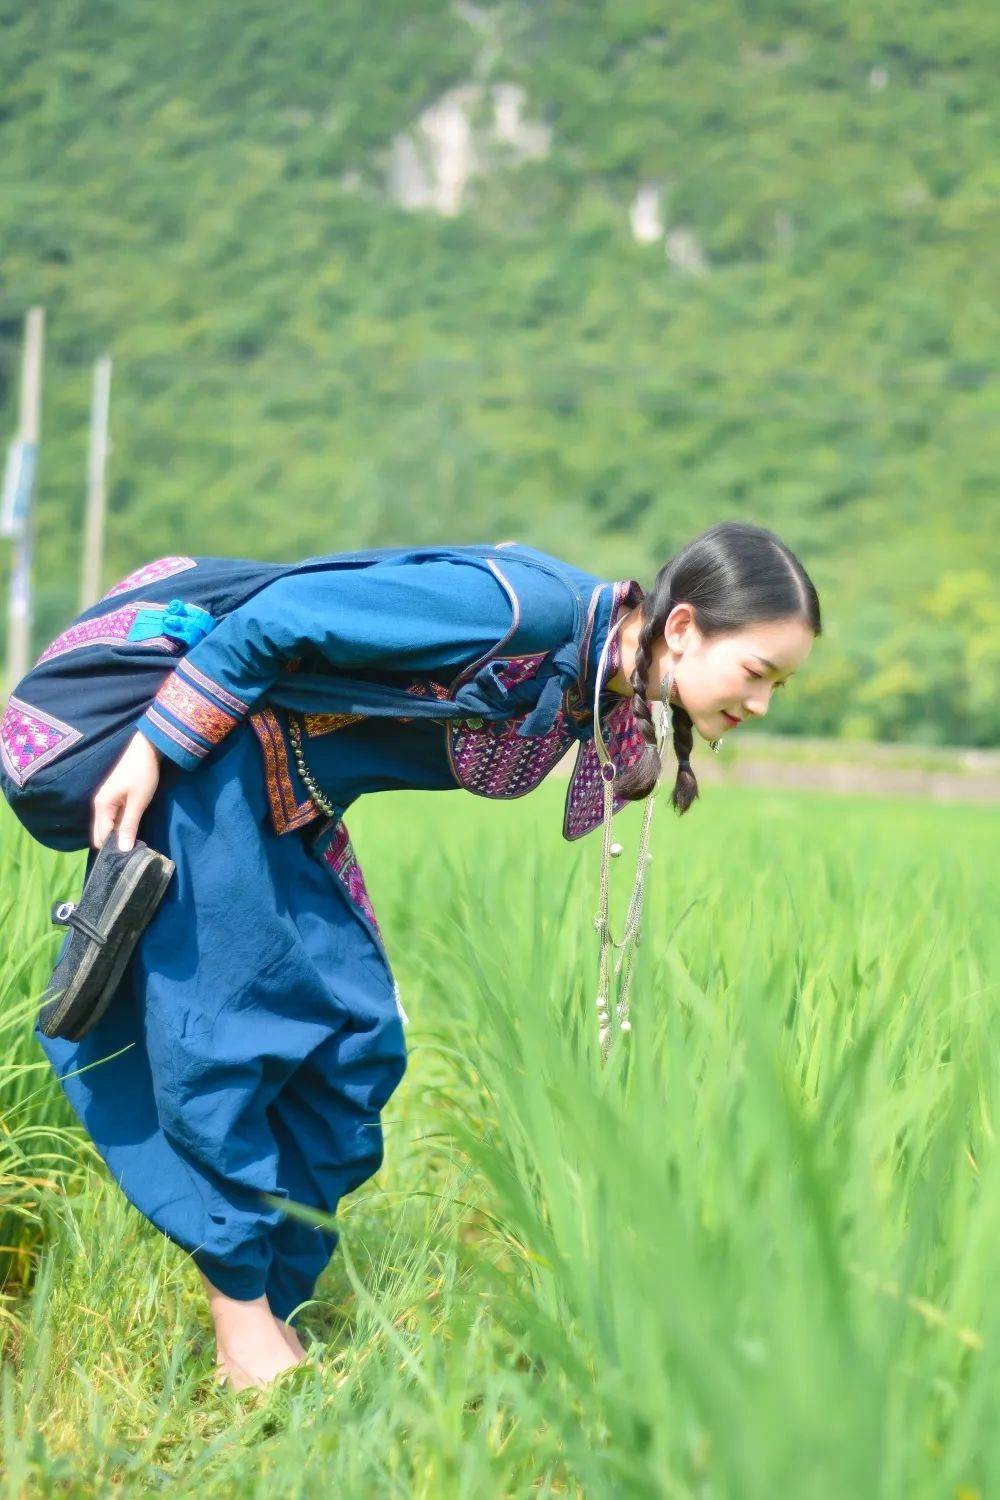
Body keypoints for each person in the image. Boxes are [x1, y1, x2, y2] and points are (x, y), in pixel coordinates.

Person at [0, 522, 820, 1389]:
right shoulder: (519, 609)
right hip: (212, 776)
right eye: (758, 673)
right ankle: (243, 1330)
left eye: (780, 684)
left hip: (294, 808)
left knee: (356, 1050)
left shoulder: (599, 675)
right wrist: (153, 749)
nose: (762, 702)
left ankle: (267, 1310)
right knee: (223, 1045)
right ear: (684, 627)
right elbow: (279, 620)